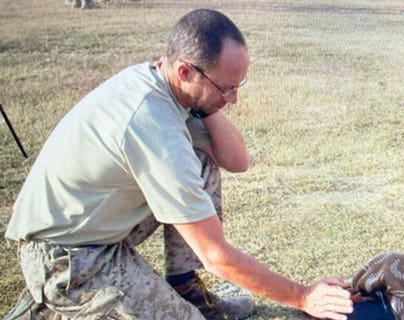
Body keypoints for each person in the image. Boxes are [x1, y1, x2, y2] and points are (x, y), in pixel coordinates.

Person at [4, 8, 353, 320]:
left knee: (203, 160)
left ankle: (185, 287)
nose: (233, 99)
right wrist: (302, 296)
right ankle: (56, 302)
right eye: (225, 88)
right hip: (68, 257)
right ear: (185, 70)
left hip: (95, 225)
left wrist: (210, 104)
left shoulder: (168, 86)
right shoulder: (153, 124)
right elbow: (216, 254)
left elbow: (237, 160)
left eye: (237, 85)